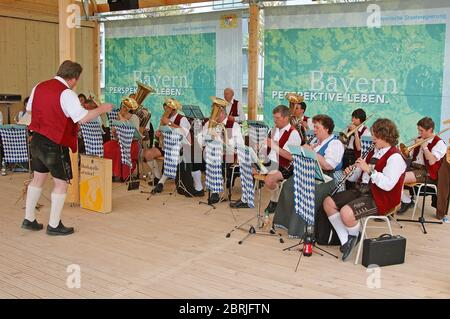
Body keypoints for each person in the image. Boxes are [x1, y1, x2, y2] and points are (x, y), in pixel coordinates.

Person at [22, 60, 112, 235]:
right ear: (74, 79)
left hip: (36, 140)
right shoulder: (67, 93)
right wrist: (102, 109)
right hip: (54, 143)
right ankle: (54, 225)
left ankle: (29, 219)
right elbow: (82, 118)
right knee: (61, 184)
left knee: (38, 179)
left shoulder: (39, 86)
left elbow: (30, 110)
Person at [323, 118, 407, 261]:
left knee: (346, 213)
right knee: (328, 203)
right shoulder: (374, 151)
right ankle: (347, 240)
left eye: (375, 135)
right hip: (363, 190)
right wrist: (350, 172)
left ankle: (353, 235)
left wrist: (369, 170)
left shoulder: (395, 157)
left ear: (385, 136)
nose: (372, 138)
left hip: (381, 197)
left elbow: (387, 185)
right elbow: (357, 176)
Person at [272, 114, 345, 239]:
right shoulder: (316, 142)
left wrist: (312, 153)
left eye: (317, 128)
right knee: (289, 184)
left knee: (307, 190)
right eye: (314, 127)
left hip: (329, 178)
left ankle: (303, 230)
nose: (314, 130)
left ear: (327, 129)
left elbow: (329, 166)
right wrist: (302, 152)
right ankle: (289, 223)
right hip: (312, 174)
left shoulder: (335, 143)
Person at [199, 97, 245, 204]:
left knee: (214, 157)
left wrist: (220, 140)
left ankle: (216, 191)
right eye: (212, 112)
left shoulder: (234, 125)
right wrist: (208, 136)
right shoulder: (208, 124)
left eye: (215, 113)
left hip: (228, 153)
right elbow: (200, 142)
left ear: (222, 113)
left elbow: (240, 145)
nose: (212, 115)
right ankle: (210, 187)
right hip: (210, 153)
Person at [398, 117, 447, 214]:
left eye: (421, 130)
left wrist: (424, 147)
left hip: (427, 172)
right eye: (418, 130)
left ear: (430, 130)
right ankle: (406, 200)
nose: (419, 133)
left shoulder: (439, 143)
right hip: (414, 168)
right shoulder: (421, 139)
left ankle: (407, 201)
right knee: (391, 175)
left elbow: (432, 161)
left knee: (399, 178)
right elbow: (409, 156)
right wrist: (406, 151)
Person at [144, 98, 193, 194]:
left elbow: (184, 132)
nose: (165, 111)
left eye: (167, 109)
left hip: (177, 146)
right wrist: (158, 134)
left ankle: (161, 183)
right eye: (165, 109)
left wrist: (169, 123)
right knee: (147, 154)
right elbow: (160, 133)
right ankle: (158, 177)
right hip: (164, 145)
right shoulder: (165, 117)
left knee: (171, 156)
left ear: (173, 109)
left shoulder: (182, 118)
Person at [260, 105, 302, 215]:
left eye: (277, 118)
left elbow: (290, 156)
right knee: (250, 168)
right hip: (271, 161)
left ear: (286, 118)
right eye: (274, 117)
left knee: (269, 180)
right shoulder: (273, 130)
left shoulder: (293, 133)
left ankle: (275, 199)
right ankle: (246, 200)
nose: (274, 120)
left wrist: (273, 145)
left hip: (285, 165)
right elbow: (266, 148)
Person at [103, 98, 142, 181]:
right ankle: (111, 173)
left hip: (131, 143)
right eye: (123, 106)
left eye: (126, 107)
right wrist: (114, 133)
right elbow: (115, 136)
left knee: (119, 150)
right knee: (105, 148)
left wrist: (122, 119)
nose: (123, 108)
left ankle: (124, 175)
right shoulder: (118, 117)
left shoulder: (134, 117)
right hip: (119, 141)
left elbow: (135, 135)